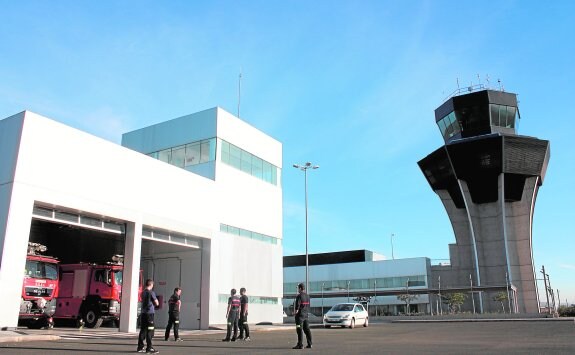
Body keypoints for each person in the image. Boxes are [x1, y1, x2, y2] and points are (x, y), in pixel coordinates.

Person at [138, 279, 160, 354]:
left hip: (143, 313)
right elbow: (157, 303)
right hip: (149, 314)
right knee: (150, 331)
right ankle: (149, 348)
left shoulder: (143, 292)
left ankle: (140, 347)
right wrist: (156, 302)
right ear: (151, 285)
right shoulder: (151, 293)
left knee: (143, 330)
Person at [293, 283, 312, 349]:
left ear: (300, 288)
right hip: (306, 316)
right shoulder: (307, 296)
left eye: (298, 288)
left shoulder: (299, 296)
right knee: (307, 330)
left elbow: (297, 307)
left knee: (299, 329)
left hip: (299, 317)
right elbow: (308, 306)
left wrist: (295, 313)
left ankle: (300, 345)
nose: (298, 290)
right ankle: (310, 344)